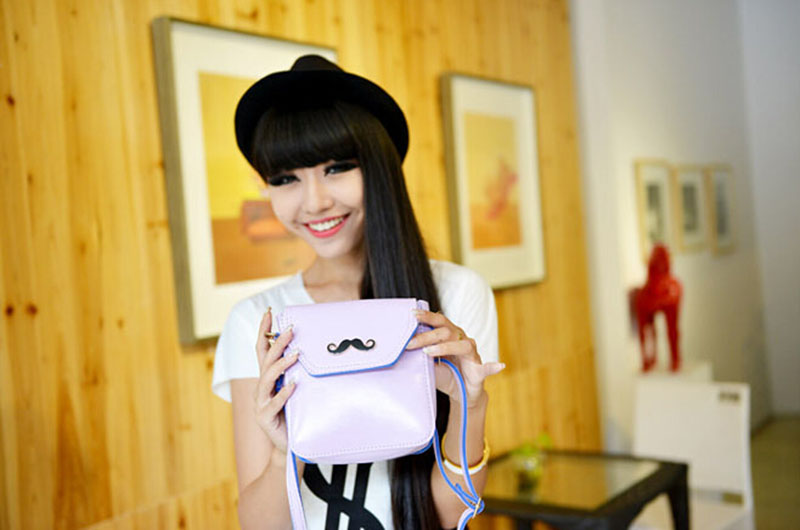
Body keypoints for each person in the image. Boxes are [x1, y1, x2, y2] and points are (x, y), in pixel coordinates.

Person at [211, 55, 504, 530]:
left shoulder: (453, 295)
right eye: (285, 178)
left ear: (380, 170)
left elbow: (451, 515)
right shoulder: (259, 321)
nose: (314, 202)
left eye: (337, 168)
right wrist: (285, 450)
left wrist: (470, 405)